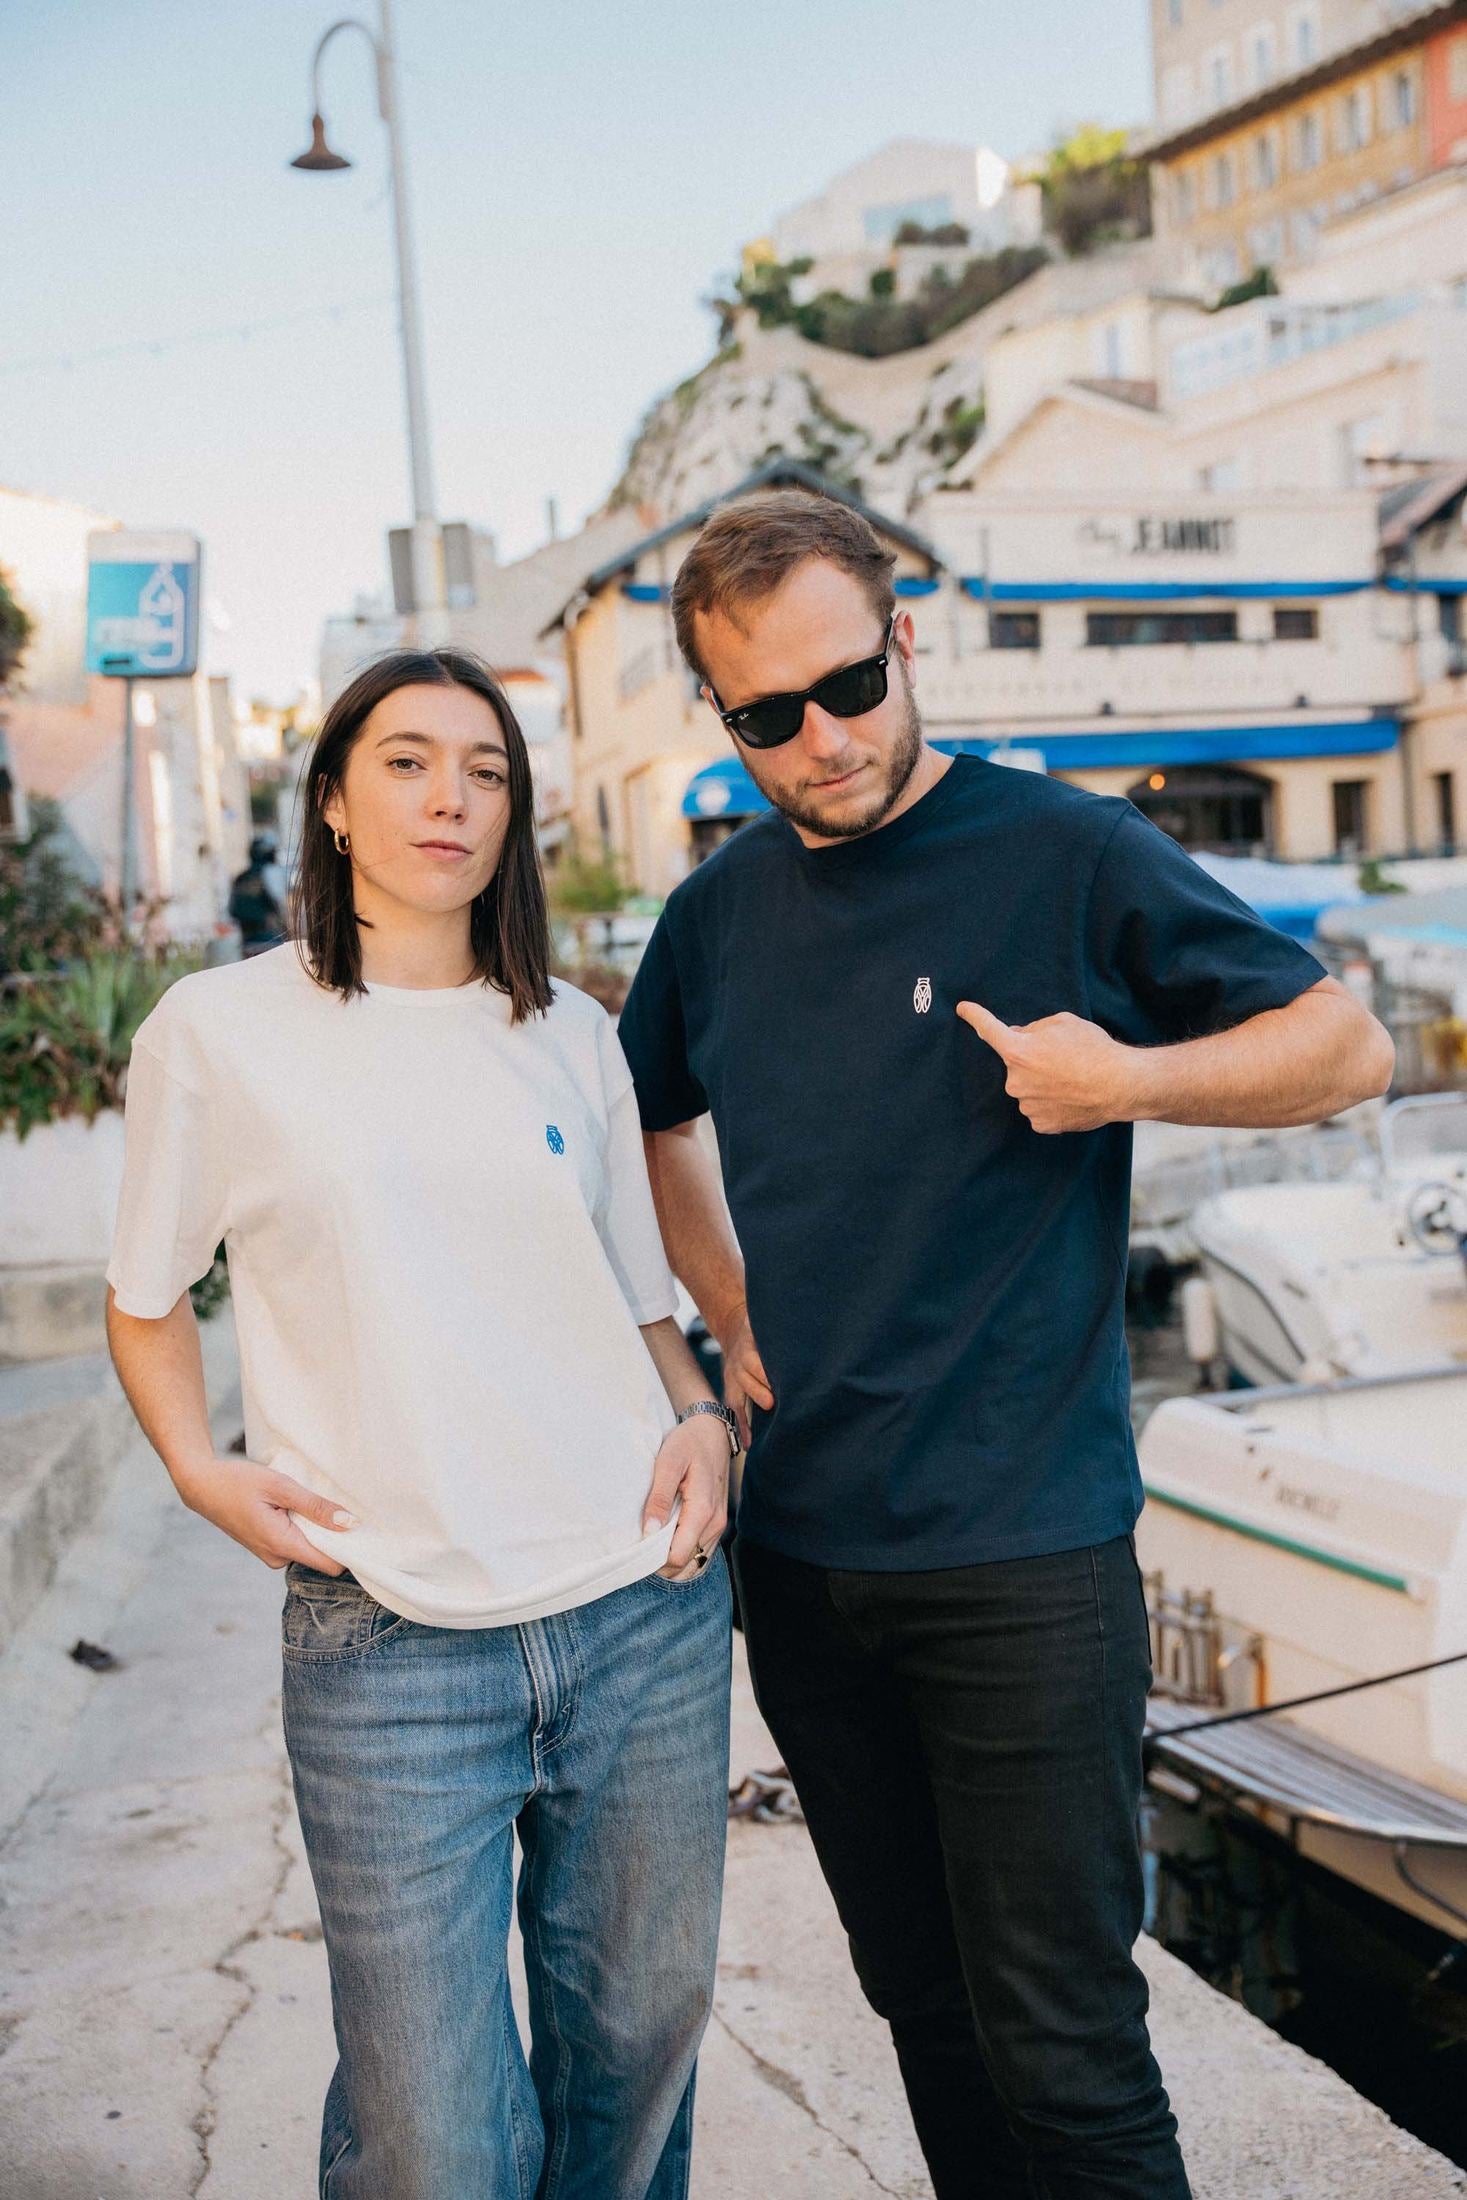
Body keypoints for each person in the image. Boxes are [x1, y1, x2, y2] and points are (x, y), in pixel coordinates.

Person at [616, 490, 1396, 2200]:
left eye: (843, 686)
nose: (819, 741)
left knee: (1063, 2051)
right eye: (764, 717)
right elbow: (645, 1122)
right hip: (804, 1562)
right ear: (722, 718)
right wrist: (726, 1312)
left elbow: (1344, 1050)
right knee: (924, 2013)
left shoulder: (1065, 853)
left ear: (904, 640)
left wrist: (1128, 1080)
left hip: (1023, 1561)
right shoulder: (719, 916)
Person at [105, 647, 739, 2200]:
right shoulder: (221, 1029)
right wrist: (199, 1470)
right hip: (385, 1640)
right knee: (438, 2142)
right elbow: (144, 1291)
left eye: (484, 769)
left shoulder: (569, 1035)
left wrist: (706, 1422)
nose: (448, 795)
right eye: (403, 760)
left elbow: (637, 1297)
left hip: (635, 1611)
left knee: (632, 2076)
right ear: (330, 800)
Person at [228, 833, 287, 956]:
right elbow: (280, 903)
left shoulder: (241, 877)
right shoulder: (271, 872)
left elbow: (232, 910)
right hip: (271, 940)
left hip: (248, 942)